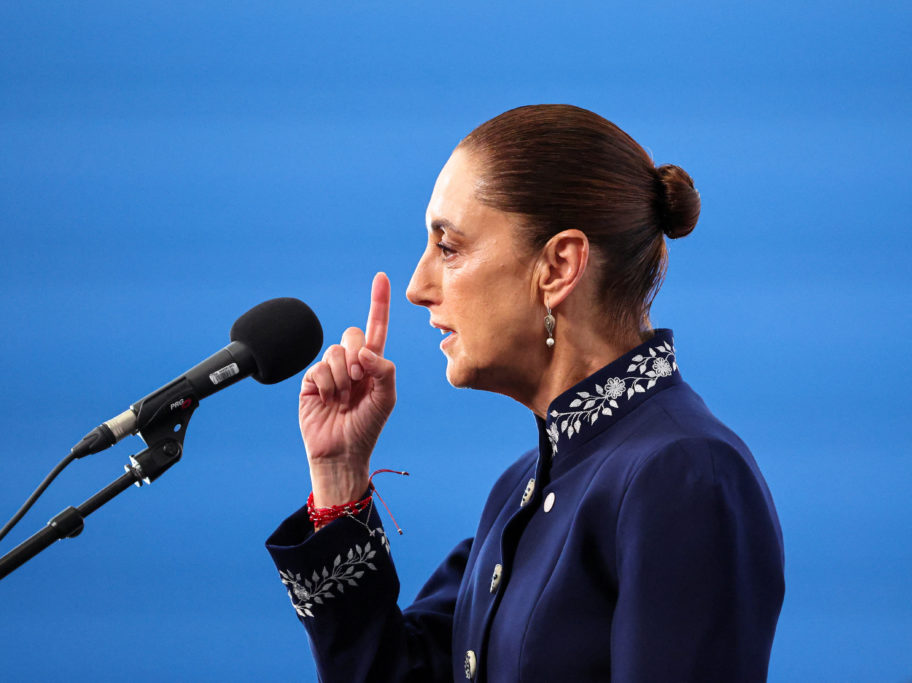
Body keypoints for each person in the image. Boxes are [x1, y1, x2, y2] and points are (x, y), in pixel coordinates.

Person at [266, 104, 785, 682]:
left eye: (450, 246)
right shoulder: (521, 488)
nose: (417, 287)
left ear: (559, 266)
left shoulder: (685, 472)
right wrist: (339, 480)